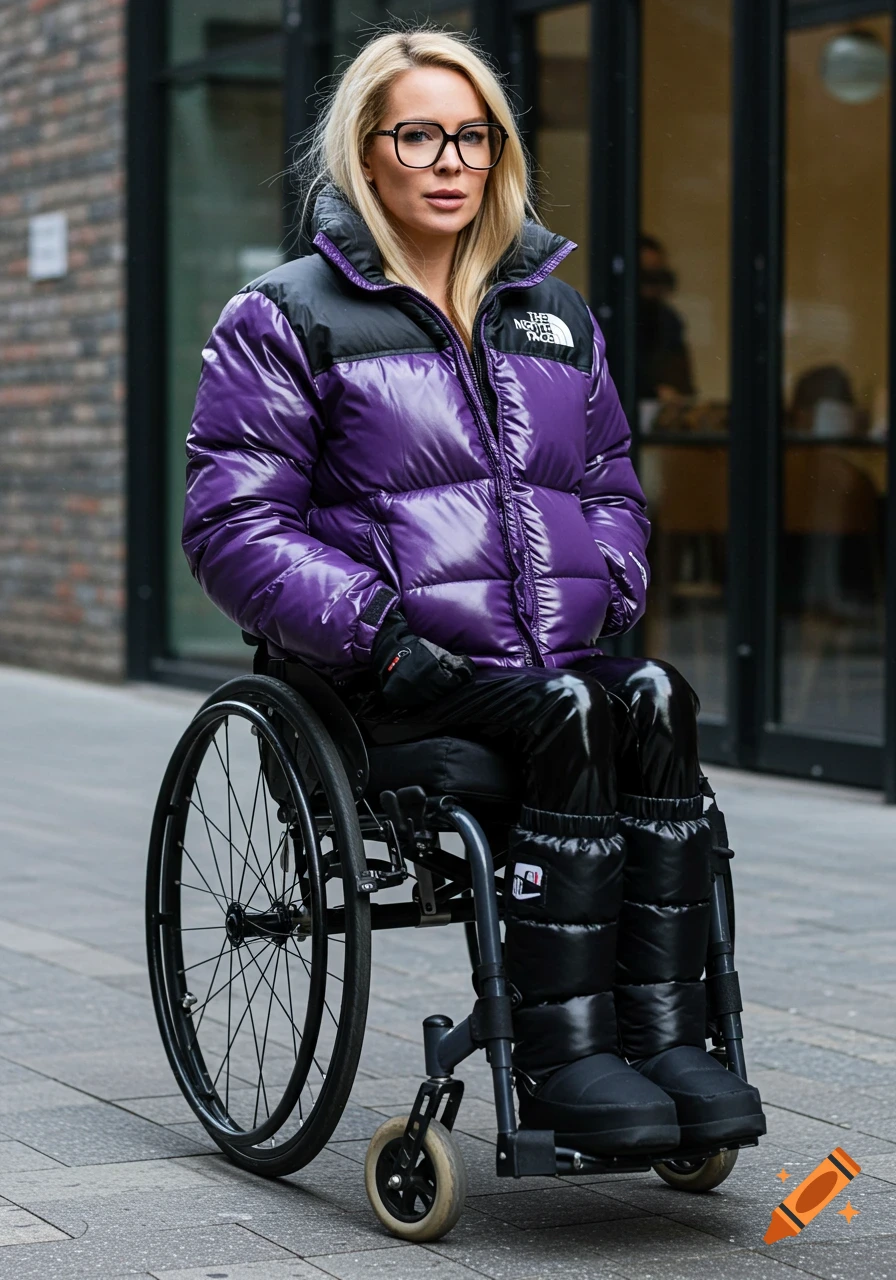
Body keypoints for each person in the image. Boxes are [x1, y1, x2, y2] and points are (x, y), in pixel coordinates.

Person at [182, 25, 765, 1157]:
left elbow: (606, 483)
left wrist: (611, 585)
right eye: (420, 135)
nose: (451, 160)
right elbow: (234, 526)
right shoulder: (284, 316)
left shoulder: (550, 312)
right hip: (391, 674)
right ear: (367, 150)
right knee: (577, 709)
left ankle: (661, 1036)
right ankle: (562, 1058)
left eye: (474, 135)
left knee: (650, 696)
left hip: (549, 665)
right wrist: (383, 632)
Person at [637, 233, 695, 402]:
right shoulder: (602, 321)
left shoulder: (668, 320)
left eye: (657, 272)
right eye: (645, 274)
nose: (653, 282)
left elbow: (680, 379)